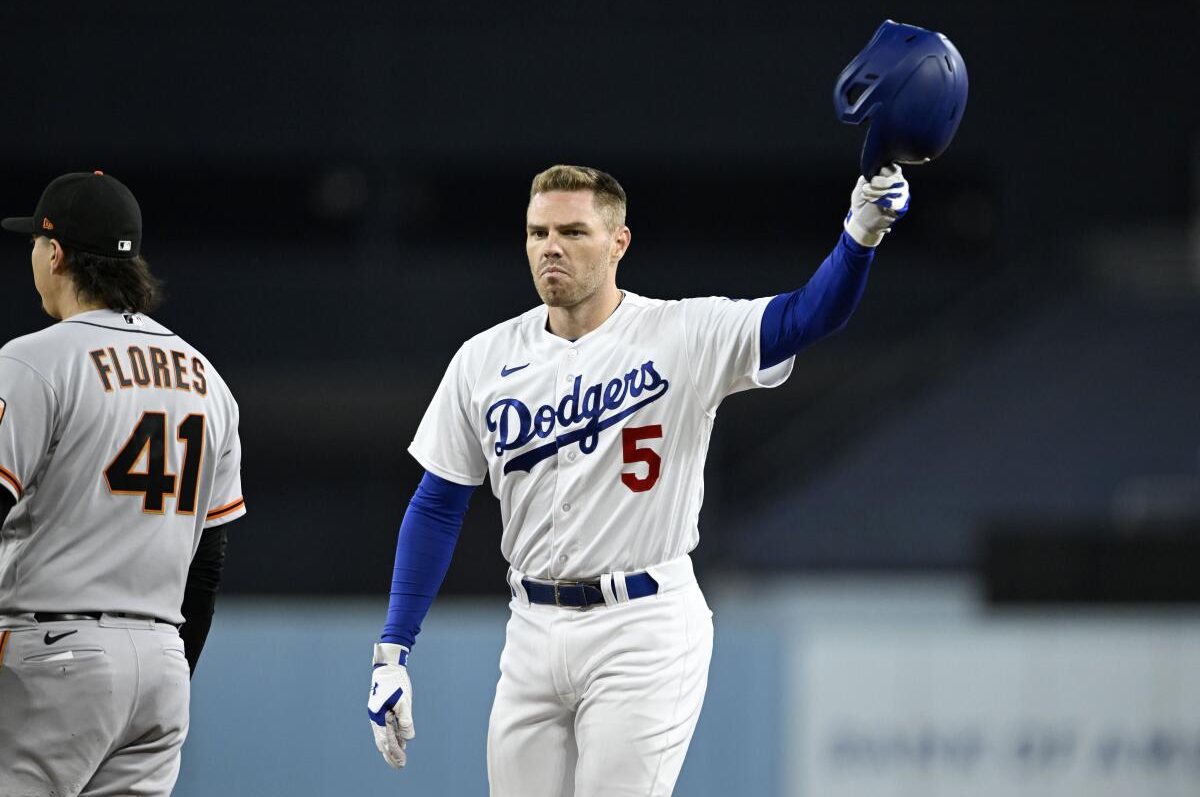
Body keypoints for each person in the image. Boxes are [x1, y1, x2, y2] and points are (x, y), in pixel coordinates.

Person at [366, 163, 909, 795]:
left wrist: (861, 232)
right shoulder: (483, 359)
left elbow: (806, 317)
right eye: (537, 232)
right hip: (531, 628)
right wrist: (393, 651)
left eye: (573, 231)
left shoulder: (683, 333)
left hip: (643, 626)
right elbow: (437, 503)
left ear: (619, 242)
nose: (551, 247)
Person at [0, 171, 246, 796]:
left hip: (50, 653)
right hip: (162, 659)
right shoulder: (207, 379)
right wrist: (170, 674)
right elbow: (208, 564)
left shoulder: (34, 361)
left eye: (34, 242)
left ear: (55, 253)